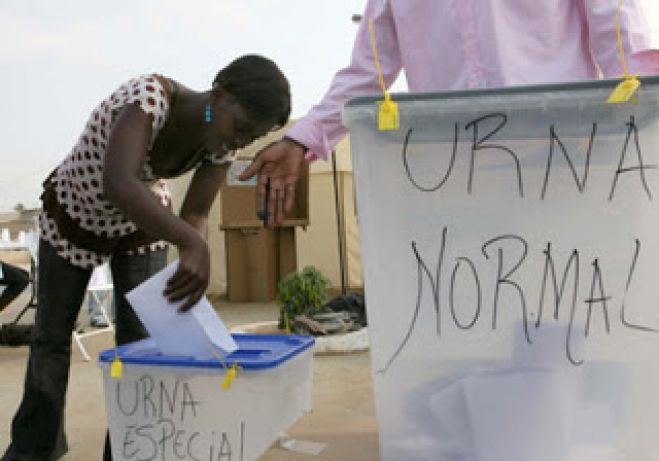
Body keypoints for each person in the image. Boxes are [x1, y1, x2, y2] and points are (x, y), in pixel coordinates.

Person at [1, 54, 290, 461]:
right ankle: (34, 450)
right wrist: (191, 244)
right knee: (51, 340)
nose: (236, 143)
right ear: (219, 96)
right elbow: (119, 181)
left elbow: (196, 214)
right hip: (74, 214)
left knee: (141, 347)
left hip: (140, 225)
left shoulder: (220, 148)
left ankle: (127, 450)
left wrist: (195, 249)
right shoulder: (150, 97)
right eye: (239, 128)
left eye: (248, 139)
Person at [240, 0, 659, 225]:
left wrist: (648, 110)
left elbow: (622, 38)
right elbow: (368, 73)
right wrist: (302, 137)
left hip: (567, 167)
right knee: (487, 327)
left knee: (569, 318)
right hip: (461, 183)